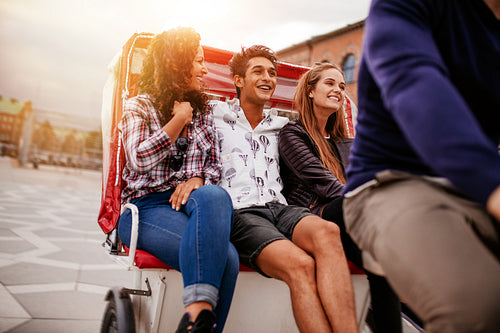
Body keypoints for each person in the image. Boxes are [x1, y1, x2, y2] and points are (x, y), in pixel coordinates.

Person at [343, 0, 500, 332]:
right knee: (479, 305)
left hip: (476, 184)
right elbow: (413, 84)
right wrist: (492, 184)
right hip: (391, 182)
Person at [212, 45, 358, 333]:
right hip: (242, 213)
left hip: (281, 209)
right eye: (258, 71)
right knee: (301, 265)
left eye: (272, 73)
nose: (268, 78)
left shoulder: (282, 127)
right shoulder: (214, 116)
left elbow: (318, 134)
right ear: (238, 80)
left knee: (328, 232)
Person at [117, 27, 238, 333]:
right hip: (145, 209)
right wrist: (177, 121)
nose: (205, 69)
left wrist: (198, 178)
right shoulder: (138, 106)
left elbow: (215, 167)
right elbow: (138, 160)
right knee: (228, 259)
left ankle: (196, 321)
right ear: (176, 64)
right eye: (198, 61)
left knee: (215, 195)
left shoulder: (204, 112)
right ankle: (199, 320)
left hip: (191, 204)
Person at [279, 62, 403, 333]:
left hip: (348, 217)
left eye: (342, 86)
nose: (338, 89)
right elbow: (322, 183)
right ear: (310, 91)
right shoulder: (292, 133)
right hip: (313, 215)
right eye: (330, 83)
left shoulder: (341, 142)